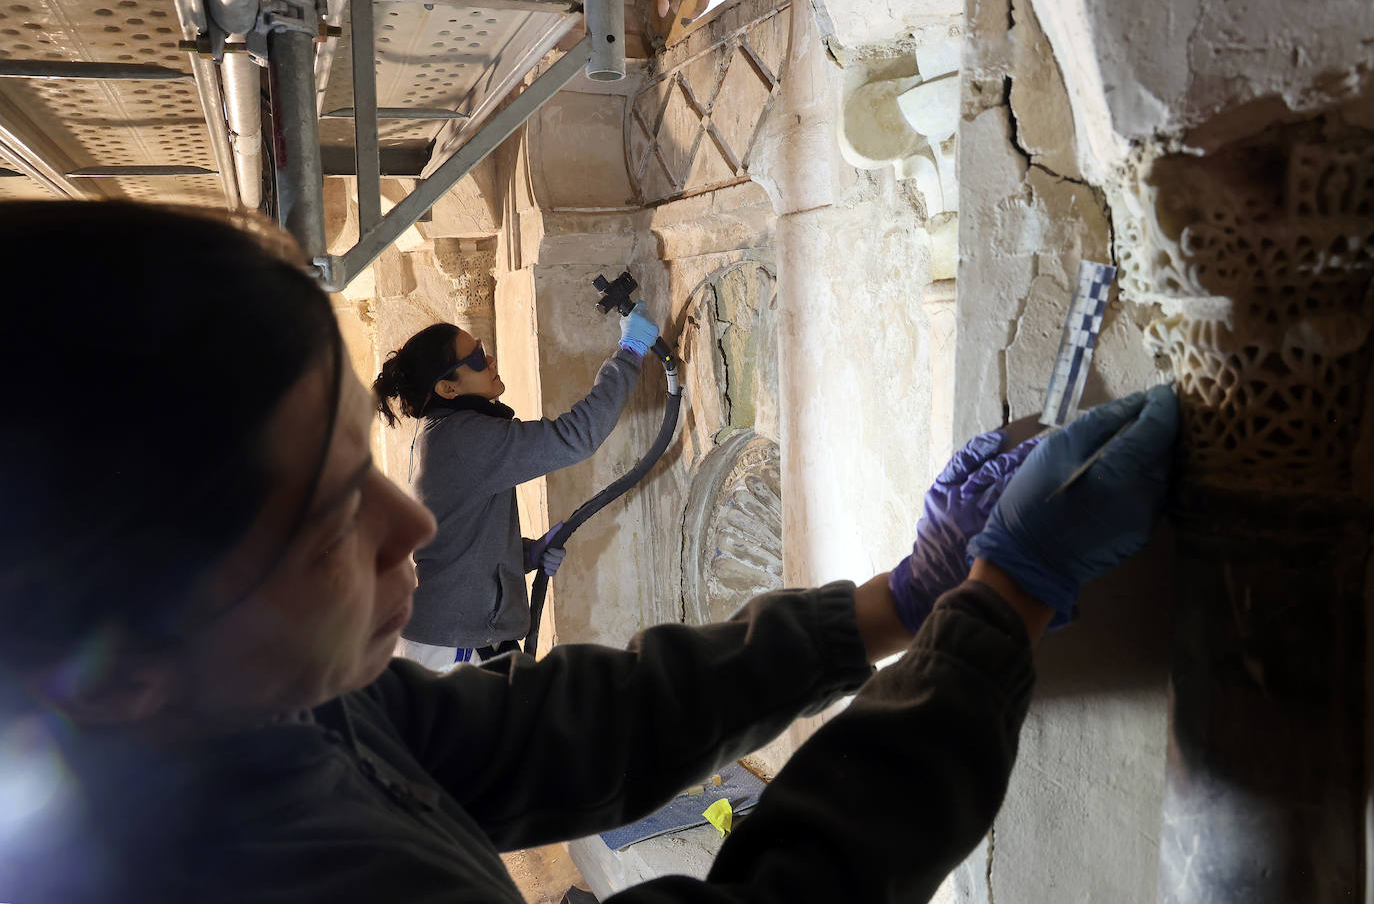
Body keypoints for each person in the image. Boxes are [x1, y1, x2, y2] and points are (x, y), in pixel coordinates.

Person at [0, 201, 1178, 904]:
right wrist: (1004, 600)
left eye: (365, 463)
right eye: (325, 520)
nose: (407, 527)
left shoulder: (263, 709)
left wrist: (898, 600)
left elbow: (550, 729)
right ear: (112, 669)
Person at [372, 303, 660, 668]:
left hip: (453, 640)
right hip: (454, 649)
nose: (489, 359)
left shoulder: (444, 435)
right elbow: (575, 437)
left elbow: (455, 540)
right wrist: (630, 353)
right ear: (447, 388)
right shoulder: (463, 439)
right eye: (476, 359)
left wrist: (524, 555)